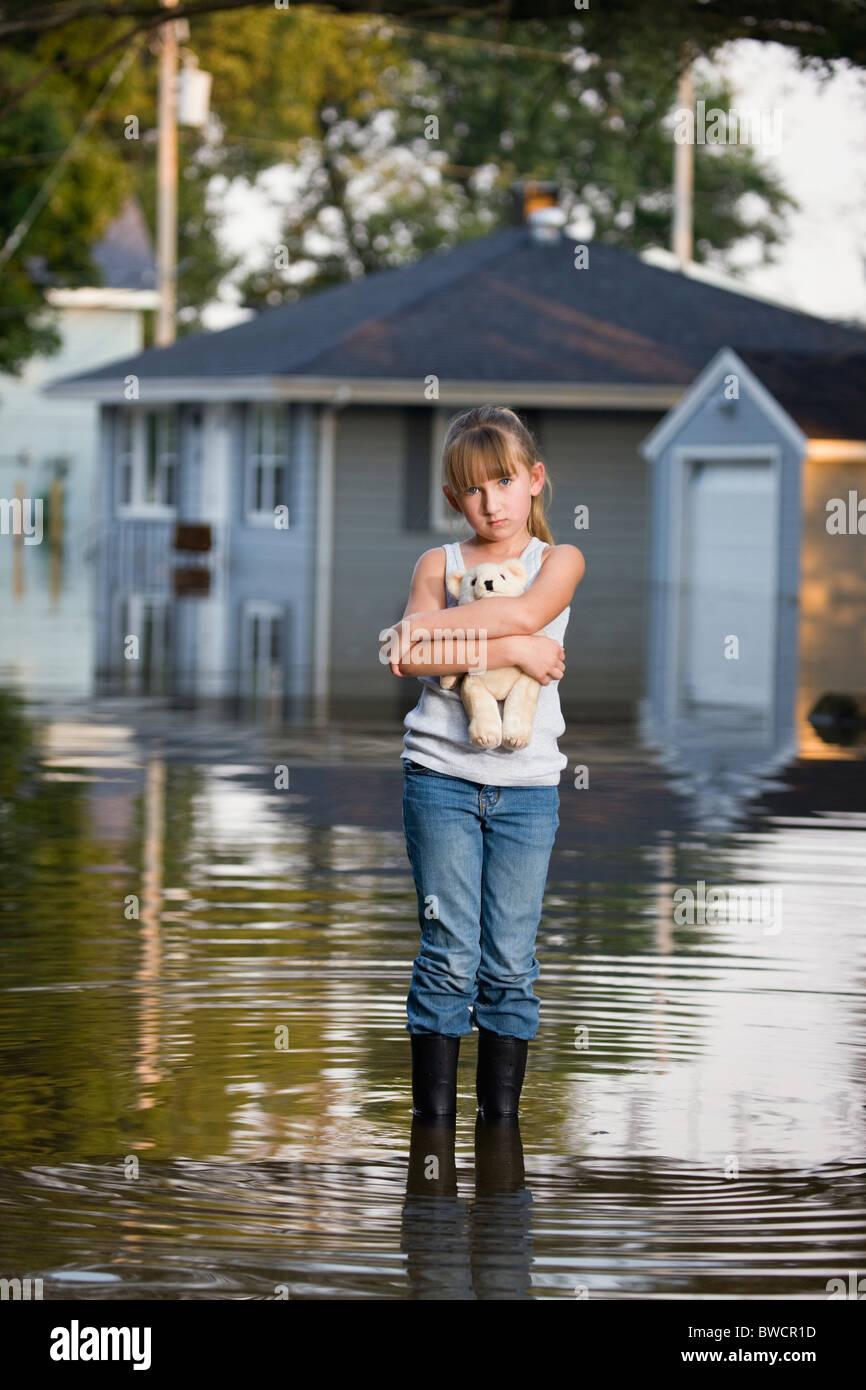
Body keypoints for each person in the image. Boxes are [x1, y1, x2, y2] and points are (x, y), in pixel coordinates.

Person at [380, 406, 585, 1123]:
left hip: (527, 791)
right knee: (448, 954)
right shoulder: (438, 564)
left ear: (534, 480)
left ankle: (501, 1132)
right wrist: (510, 651)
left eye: (503, 481)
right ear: (452, 500)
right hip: (439, 781)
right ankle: (430, 1134)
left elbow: (525, 616)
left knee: (509, 964)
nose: (490, 502)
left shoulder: (558, 562)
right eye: (472, 489)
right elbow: (407, 659)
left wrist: (441, 634)